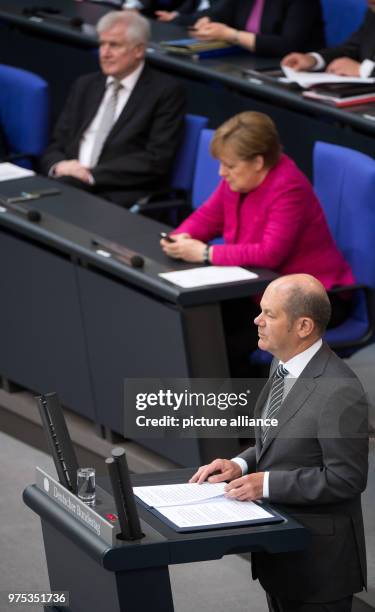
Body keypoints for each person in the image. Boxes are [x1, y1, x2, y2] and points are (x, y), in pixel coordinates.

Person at [190, 274, 368, 612]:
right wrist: (240, 464)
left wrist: (265, 484)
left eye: (269, 315)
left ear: (303, 327)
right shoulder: (282, 362)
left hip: (319, 566)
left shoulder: (340, 391)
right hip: (280, 549)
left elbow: (346, 479)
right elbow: (278, 437)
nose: (257, 321)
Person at [160, 111, 355, 376]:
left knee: (220, 343)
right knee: (197, 327)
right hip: (259, 288)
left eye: (229, 165)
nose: (221, 172)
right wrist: (181, 237)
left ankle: (240, 413)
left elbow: (270, 253)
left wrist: (206, 252)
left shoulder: (288, 188)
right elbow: (209, 216)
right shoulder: (238, 180)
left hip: (313, 299)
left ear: (258, 162)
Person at [41, 11, 186, 208]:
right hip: (67, 180)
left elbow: (156, 159)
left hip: (115, 193)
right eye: (102, 44)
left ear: (138, 50)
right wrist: (59, 166)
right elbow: (57, 143)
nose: (105, 53)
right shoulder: (85, 85)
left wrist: (90, 174)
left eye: (114, 45)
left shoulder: (165, 92)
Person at [190, 0, 325, 58]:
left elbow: (287, 45)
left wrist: (231, 35)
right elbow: (219, 13)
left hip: (289, 66)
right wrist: (207, 21)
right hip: (248, 60)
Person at [282, 0, 375, 77]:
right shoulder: (372, 12)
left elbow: (362, 69)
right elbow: (351, 49)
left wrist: (364, 70)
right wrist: (314, 60)